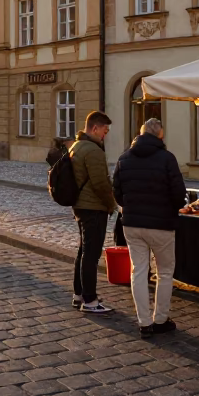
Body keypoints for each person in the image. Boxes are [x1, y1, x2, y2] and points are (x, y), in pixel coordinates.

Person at [113, 118, 186, 338]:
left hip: (133, 224)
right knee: (164, 272)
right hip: (162, 224)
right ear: (160, 135)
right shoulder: (167, 158)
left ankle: (144, 322)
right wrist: (174, 207)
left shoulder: (124, 158)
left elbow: (117, 192)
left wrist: (130, 205)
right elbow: (178, 192)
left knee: (139, 271)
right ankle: (160, 319)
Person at [70, 111, 115, 314]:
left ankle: (79, 293)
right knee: (91, 254)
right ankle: (90, 300)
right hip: (93, 207)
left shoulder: (77, 146)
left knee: (83, 251)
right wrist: (111, 204)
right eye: (104, 131)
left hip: (80, 205)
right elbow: (100, 183)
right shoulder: (93, 150)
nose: (105, 135)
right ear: (95, 128)